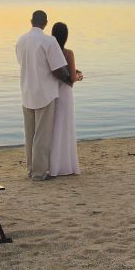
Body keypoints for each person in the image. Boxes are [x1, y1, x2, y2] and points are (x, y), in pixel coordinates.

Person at [15, 10, 69, 181]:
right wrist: (70, 79)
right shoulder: (49, 41)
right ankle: (39, 173)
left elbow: (22, 63)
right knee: (42, 136)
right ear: (45, 23)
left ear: (31, 21)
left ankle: (31, 170)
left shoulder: (20, 40)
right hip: (45, 93)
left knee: (29, 135)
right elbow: (57, 69)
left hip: (27, 91)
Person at [49, 22, 82, 176]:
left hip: (52, 91)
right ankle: (67, 165)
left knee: (54, 127)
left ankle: (53, 166)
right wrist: (79, 75)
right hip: (66, 93)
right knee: (66, 127)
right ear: (66, 36)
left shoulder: (49, 52)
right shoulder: (68, 53)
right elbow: (73, 78)